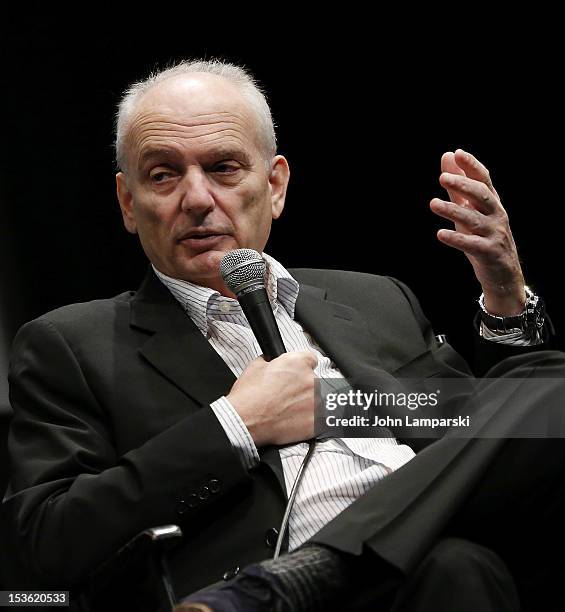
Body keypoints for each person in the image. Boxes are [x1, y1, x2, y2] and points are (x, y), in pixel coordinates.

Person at [4, 59, 563, 612]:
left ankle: (316, 570)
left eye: (223, 167)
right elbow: (40, 546)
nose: (197, 199)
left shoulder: (376, 300)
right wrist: (237, 426)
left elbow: (471, 427)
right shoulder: (72, 344)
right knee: (460, 567)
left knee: (553, 395)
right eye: (163, 174)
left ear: (274, 186)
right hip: (256, 574)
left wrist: (507, 296)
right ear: (129, 203)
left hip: (388, 580)